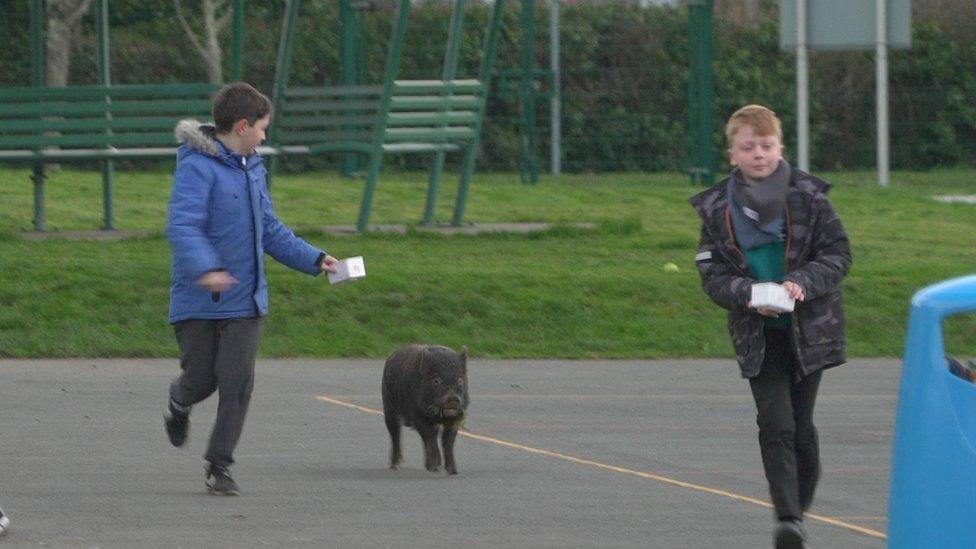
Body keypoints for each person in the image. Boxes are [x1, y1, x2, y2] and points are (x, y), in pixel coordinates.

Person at [689, 105, 852, 549]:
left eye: (767, 145)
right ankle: (788, 519)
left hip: (810, 331)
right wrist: (747, 294)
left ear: (780, 148)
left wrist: (800, 282)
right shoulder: (717, 208)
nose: (759, 153)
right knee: (774, 422)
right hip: (758, 335)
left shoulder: (811, 198)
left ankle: (797, 508)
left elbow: (838, 256)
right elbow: (712, 274)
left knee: (801, 426)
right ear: (732, 155)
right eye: (748, 146)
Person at [164, 82, 338, 496]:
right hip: (199, 301)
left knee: (237, 381)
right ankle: (178, 401)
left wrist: (316, 259)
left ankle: (218, 465)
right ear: (242, 126)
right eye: (262, 128)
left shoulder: (252, 168)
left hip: (245, 301)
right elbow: (182, 225)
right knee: (202, 380)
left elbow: (271, 231)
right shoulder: (196, 166)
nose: (264, 136)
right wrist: (207, 269)